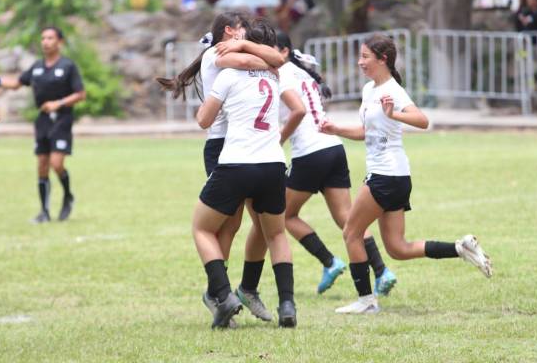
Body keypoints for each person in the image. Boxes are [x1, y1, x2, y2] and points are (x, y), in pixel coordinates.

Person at [319, 34, 493, 314]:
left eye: (365, 56)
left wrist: (394, 115)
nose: (360, 62)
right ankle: (461, 248)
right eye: (360, 56)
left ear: (382, 59)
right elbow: (367, 133)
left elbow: (423, 120)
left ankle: (366, 301)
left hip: (386, 175)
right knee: (398, 248)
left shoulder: (393, 90)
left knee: (352, 232)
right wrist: (337, 129)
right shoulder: (369, 90)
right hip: (394, 176)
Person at [157, 12, 285, 327]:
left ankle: (232, 291)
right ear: (229, 31)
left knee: (238, 225)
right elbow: (265, 62)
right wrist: (266, 62)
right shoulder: (218, 52)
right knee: (224, 225)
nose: (250, 38)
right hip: (223, 147)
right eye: (244, 32)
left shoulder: (237, 50)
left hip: (244, 147)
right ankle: (221, 293)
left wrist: (264, 58)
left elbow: (276, 57)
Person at [275, 32, 397, 296]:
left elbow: (298, 112)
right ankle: (381, 271)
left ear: (283, 51)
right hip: (332, 147)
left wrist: (278, 140)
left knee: (285, 215)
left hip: (309, 152)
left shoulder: (282, 74)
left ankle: (329, 262)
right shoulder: (301, 72)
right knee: (348, 220)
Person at [193, 21, 296, 328]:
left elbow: (203, 120)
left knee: (202, 229)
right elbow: (274, 59)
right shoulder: (277, 74)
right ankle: (287, 305)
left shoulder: (228, 75)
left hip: (236, 163)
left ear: (246, 42)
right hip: (274, 164)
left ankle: (223, 295)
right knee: (276, 234)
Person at [0, 27, 85, 223]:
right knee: (42, 166)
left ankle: (68, 196)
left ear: (60, 42)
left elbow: (81, 94)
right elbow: (16, 82)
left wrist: (58, 103)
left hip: (62, 119)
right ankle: (44, 212)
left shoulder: (68, 66)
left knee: (57, 164)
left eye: (50, 38)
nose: (45, 41)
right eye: (43, 38)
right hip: (43, 120)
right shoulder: (37, 67)